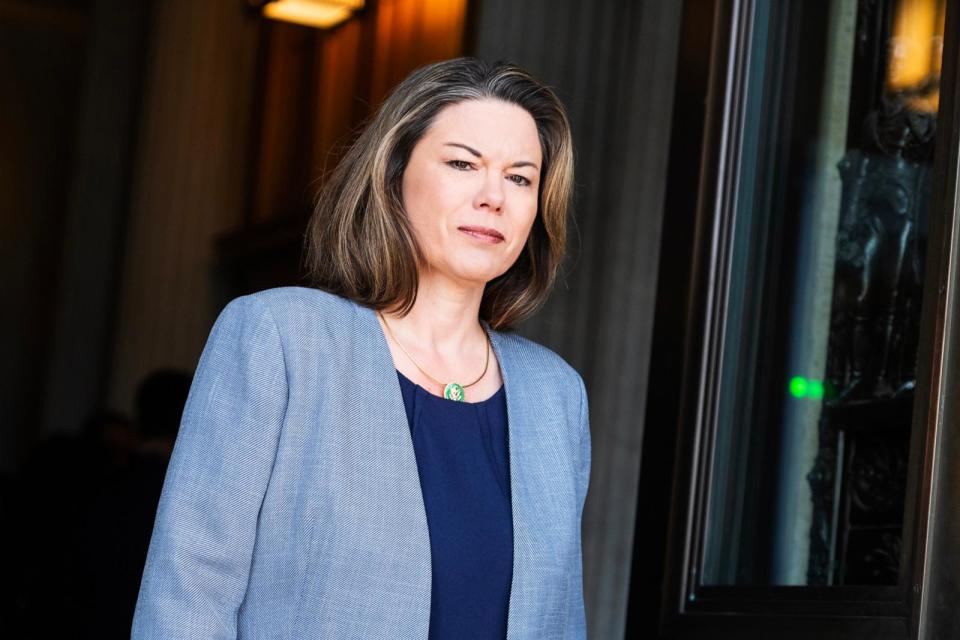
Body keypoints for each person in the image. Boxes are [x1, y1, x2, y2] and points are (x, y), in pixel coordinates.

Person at [132, 57, 590, 639]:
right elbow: (187, 598)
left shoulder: (555, 396)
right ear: (394, 174)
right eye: (462, 164)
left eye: (521, 177)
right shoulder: (282, 339)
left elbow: (561, 622)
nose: (493, 196)